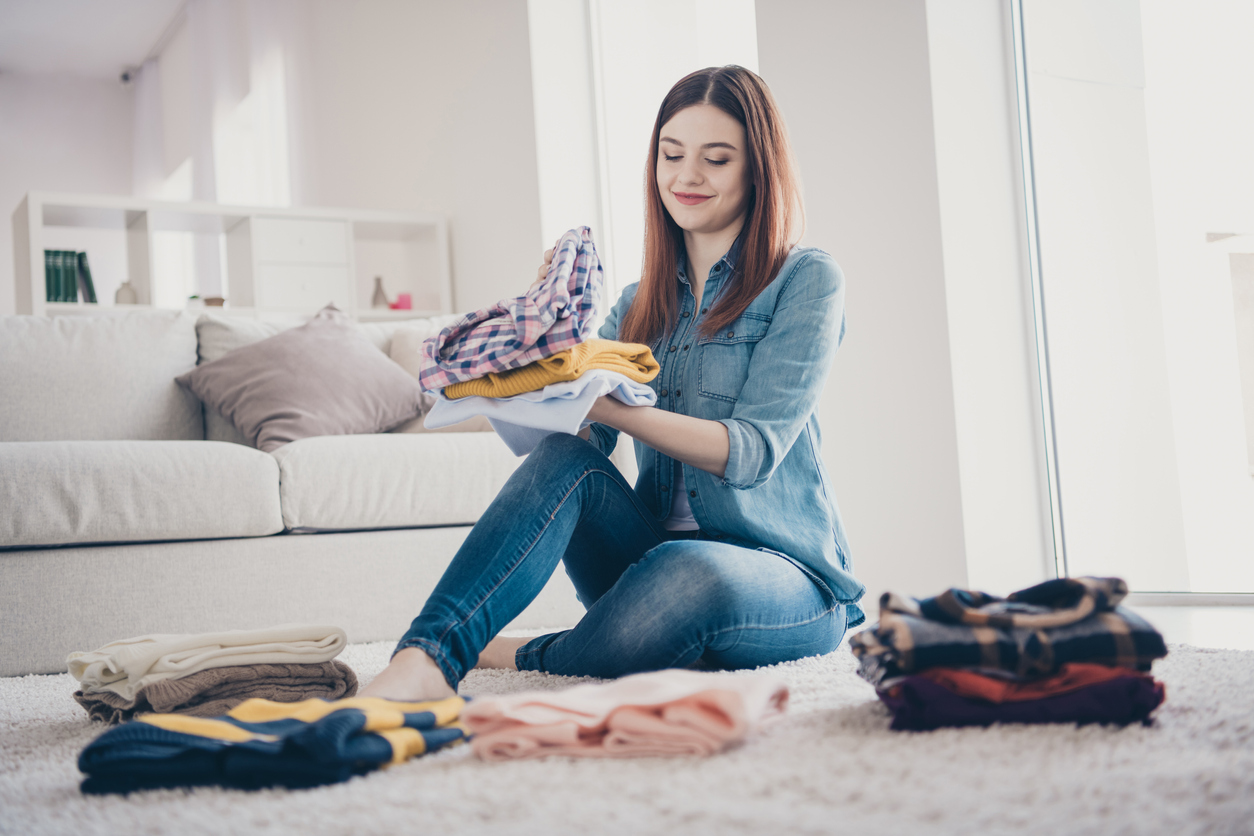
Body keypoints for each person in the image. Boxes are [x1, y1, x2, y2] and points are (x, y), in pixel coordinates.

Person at [361, 65, 865, 701]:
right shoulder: (634, 303)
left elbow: (754, 451)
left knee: (689, 574)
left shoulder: (805, 279)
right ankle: (429, 658)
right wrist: (542, 348)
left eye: (716, 159)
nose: (686, 176)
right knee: (566, 458)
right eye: (671, 154)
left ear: (756, 169)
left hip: (782, 576)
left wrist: (613, 406)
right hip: (643, 566)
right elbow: (578, 442)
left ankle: (532, 651)